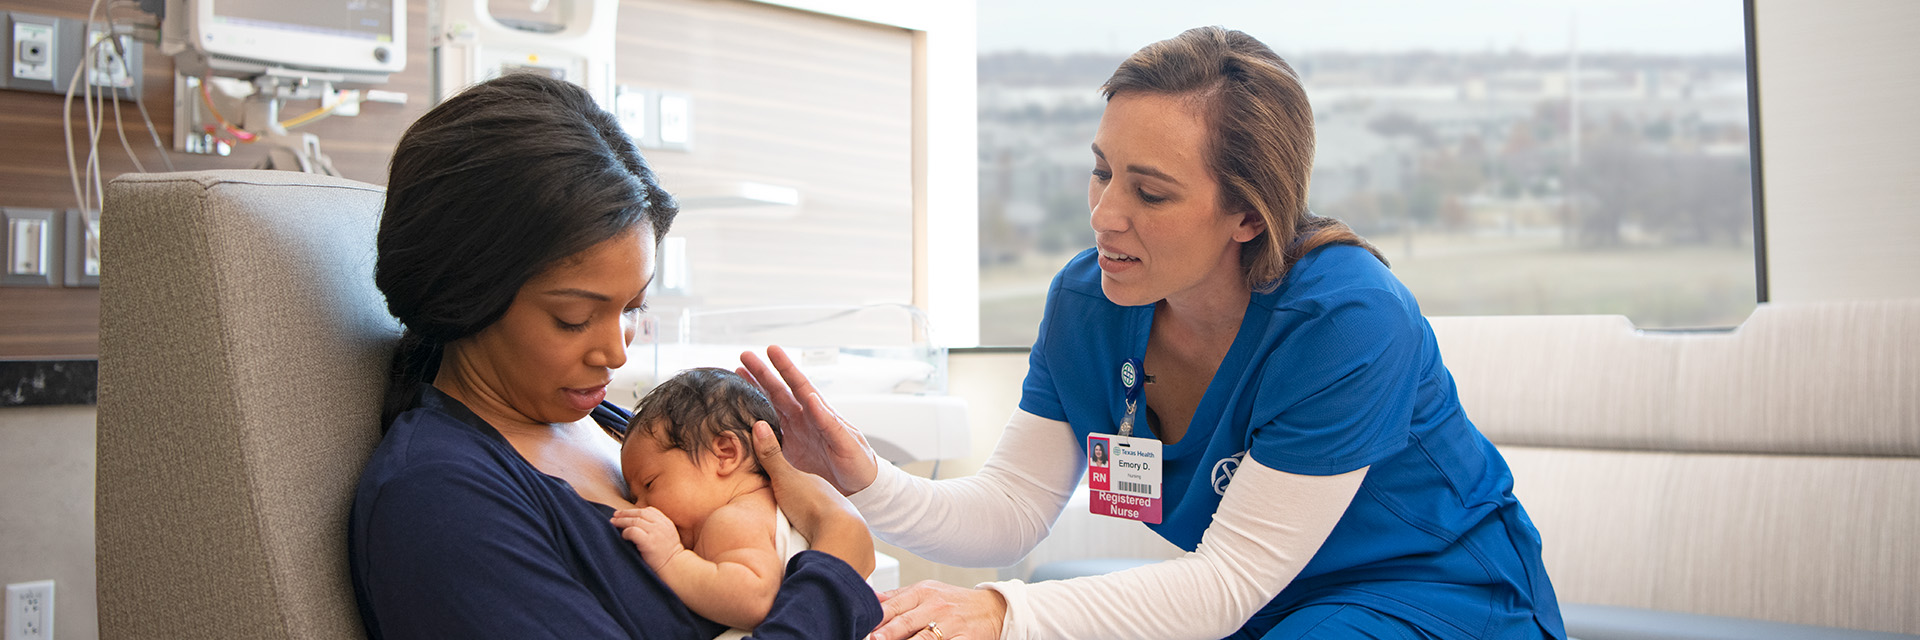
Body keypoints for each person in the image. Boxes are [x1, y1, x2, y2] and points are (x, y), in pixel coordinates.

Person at [740, 26, 1564, 640]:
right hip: (1271, 610)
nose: (1104, 216)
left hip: (1437, 594)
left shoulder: (1345, 317)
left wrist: (1002, 610)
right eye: (1101, 171)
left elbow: (1229, 577)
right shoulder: (1089, 302)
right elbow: (1010, 511)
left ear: (1248, 213)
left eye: (1151, 193)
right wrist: (864, 478)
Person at [348, 72, 880, 640]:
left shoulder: (610, 427)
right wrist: (837, 564)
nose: (616, 354)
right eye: (574, 318)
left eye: (633, 307)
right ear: (465, 295)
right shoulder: (440, 503)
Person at [612, 368, 817, 633]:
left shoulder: (730, 520)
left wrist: (672, 559)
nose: (640, 507)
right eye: (634, 497)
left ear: (725, 453)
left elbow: (754, 601)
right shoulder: (773, 505)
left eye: (650, 483)